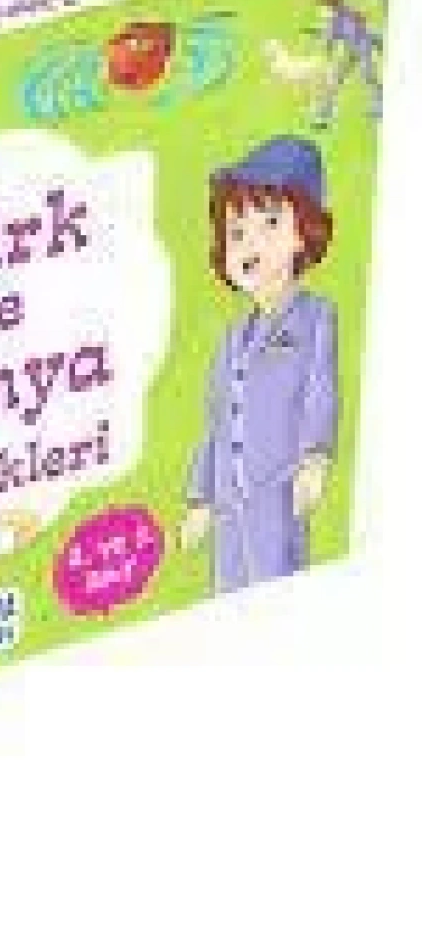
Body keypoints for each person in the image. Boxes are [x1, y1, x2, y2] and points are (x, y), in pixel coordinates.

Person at [179, 137, 337, 593]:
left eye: (270, 223)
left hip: (278, 495)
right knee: (227, 593)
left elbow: (320, 389)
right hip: (229, 507)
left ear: (303, 232)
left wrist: (315, 457)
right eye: (237, 232)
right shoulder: (231, 340)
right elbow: (215, 425)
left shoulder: (315, 317)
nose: (251, 244)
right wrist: (200, 501)